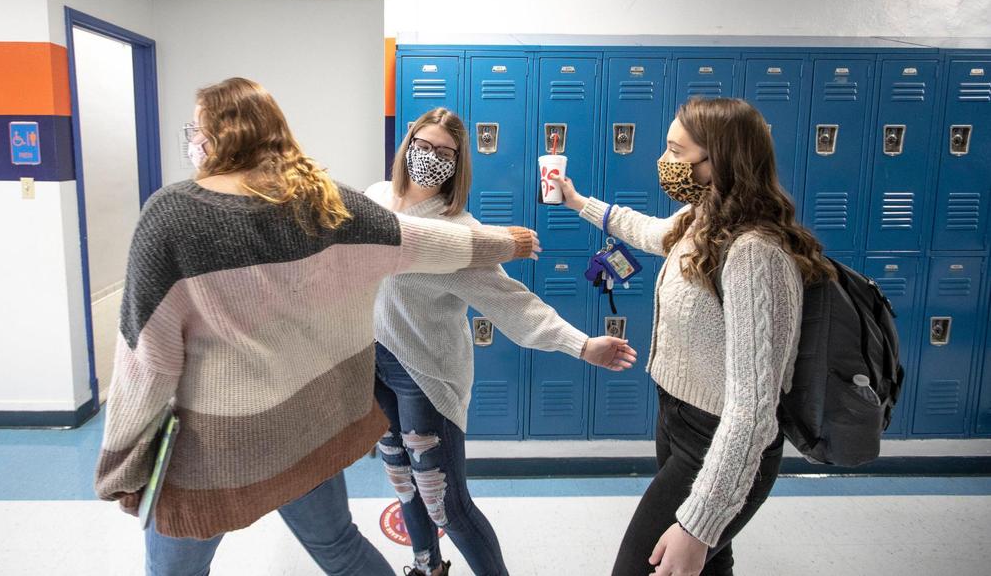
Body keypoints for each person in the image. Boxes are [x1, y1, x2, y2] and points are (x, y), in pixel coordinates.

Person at [94, 78, 542, 576]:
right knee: (340, 549)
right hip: (305, 429)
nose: (192, 139)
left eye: (196, 128)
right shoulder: (324, 201)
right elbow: (425, 242)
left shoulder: (170, 215)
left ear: (223, 136)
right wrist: (506, 243)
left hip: (212, 449)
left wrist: (120, 465)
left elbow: (145, 364)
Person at [553, 96, 835, 576]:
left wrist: (699, 524)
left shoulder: (754, 254)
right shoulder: (702, 220)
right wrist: (580, 203)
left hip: (717, 439)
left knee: (645, 566)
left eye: (675, 151)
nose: (663, 162)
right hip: (678, 421)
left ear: (717, 161)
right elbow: (647, 232)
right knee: (709, 564)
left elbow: (752, 410)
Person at [367, 107, 638, 576]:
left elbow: (515, 304)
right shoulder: (375, 199)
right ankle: (427, 566)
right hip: (376, 364)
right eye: (423, 145)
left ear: (458, 164)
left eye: (445, 152)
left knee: (445, 501)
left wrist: (580, 344)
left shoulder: (463, 234)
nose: (430, 157)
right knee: (404, 482)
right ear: (407, 144)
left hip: (426, 377)